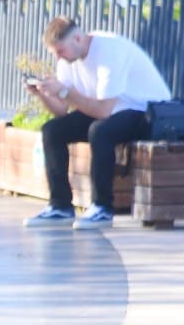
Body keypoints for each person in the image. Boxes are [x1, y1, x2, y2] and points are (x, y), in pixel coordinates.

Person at [25, 16, 173, 230]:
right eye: (55, 53)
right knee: (52, 130)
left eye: (61, 51)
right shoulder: (68, 60)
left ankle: (102, 207)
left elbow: (102, 112)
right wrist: (43, 94)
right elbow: (61, 112)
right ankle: (60, 206)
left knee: (100, 131)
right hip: (112, 111)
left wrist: (65, 92)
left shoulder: (108, 50)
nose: (59, 57)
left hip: (147, 112)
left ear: (77, 38)